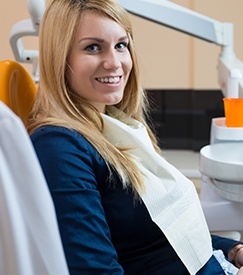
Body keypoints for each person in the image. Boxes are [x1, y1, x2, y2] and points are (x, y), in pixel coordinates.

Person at [28, 0, 243, 274]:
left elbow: (162, 235)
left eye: (121, 45)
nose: (113, 62)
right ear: (60, 58)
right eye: (92, 47)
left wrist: (232, 250)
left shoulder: (117, 126)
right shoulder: (60, 148)